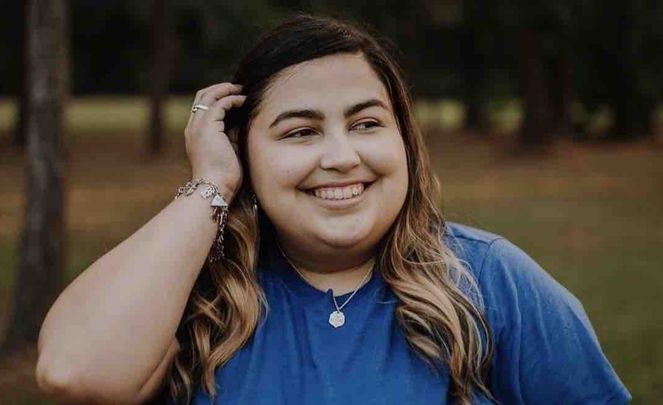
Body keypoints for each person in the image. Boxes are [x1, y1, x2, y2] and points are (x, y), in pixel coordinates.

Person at [35, 13, 632, 405]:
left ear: (404, 141)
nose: (342, 157)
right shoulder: (197, 293)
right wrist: (211, 184)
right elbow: (76, 372)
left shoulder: (490, 280)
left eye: (366, 123)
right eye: (300, 132)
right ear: (244, 153)